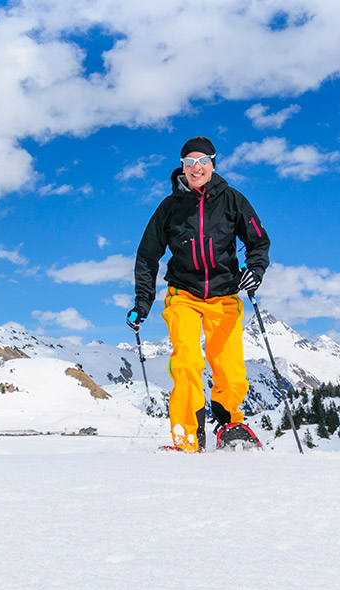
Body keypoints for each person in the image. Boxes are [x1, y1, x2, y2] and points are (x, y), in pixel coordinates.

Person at [128, 136, 270, 452]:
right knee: (187, 363)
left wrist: (255, 270)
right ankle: (187, 438)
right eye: (189, 162)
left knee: (230, 369)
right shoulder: (169, 208)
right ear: (182, 167)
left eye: (203, 160)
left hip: (224, 294)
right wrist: (142, 302)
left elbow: (258, 241)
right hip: (184, 295)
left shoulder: (233, 200)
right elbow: (147, 256)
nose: (196, 167)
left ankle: (230, 425)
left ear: (213, 164)